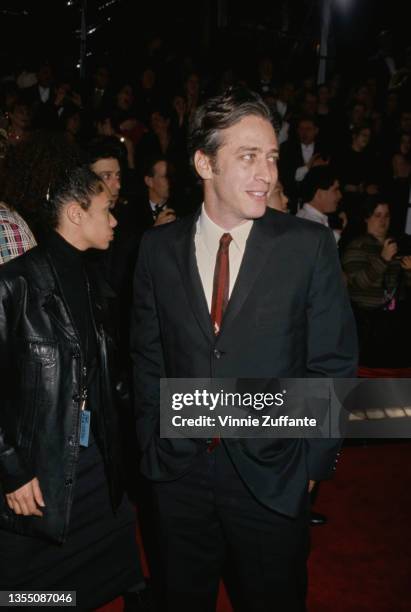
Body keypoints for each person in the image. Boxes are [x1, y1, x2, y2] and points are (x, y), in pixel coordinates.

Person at [131, 87, 357, 611]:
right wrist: (153, 443)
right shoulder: (157, 250)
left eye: (273, 157)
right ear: (204, 162)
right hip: (178, 475)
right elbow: (148, 358)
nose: (268, 173)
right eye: (249, 157)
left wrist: (310, 468)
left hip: (273, 475)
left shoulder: (307, 248)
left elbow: (332, 365)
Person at [0, 167, 150, 610]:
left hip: (93, 459)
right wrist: (11, 469)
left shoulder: (92, 281)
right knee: (26, 592)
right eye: (107, 210)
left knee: (120, 566)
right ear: (74, 213)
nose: (115, 221)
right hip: (38, 466)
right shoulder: (13, 286)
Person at [342, 197, 411, 367]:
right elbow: (357, 284)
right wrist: (383, 259)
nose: (383, 220)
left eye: (386, 216)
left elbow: (402, 287)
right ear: (367, 218)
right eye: (377, 215)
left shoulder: (396, 245)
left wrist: (409, 272)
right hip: (366, 324)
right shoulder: (357, 246)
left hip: (394, 323)